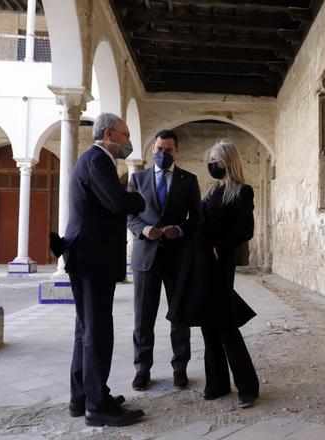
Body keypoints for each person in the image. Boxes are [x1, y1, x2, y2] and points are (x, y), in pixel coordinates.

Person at [53, 112, 146, 427]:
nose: (127, 140)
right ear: (109, 133)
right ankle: (97, 405)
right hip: (92, 257)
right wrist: (137, 199)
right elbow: (118, 204)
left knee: (86, 329)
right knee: (97, 330)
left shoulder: (94, 160)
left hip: (87, 256)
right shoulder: (97, 160)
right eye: (124, 133)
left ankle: (82, 397)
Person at [169, 138, 259, 409]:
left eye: (215, 161)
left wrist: (221, 246)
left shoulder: (241, 192)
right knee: (209, 326)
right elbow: (200, 223)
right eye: (209, 161)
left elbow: (245, 229)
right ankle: (217, 384)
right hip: (201, 264)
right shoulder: (210, 191)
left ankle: (247, 387)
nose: (211, 165)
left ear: (228, 162)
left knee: (226, 326)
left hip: (220, 265)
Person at [127, 130, 201, 391]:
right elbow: (130, 216)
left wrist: (179, 230)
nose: (162, 154)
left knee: (179, 316)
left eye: (168, 150)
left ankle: (180, 367)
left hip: (178, 258)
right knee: (143, 317)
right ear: (152, 149)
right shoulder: (137, 178)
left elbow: (197, 219)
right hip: (146, 256)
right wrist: (142, 230)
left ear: (176, 151)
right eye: (158, 149)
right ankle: (142, 368)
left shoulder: (189, 180)